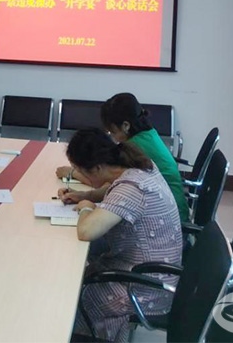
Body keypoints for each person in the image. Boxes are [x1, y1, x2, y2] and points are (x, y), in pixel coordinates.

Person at [62, 129, 182, 342]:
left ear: (97, 168)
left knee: (71, 300)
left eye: (81, 171)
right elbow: (110, 190)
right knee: (77, 275)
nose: (81, 175)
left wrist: (86, 207)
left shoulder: (132, 188)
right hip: (157, 272)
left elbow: (86, 231)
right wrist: (86, 195)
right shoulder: (139, 167)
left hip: (146, 287)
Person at [55, 93, 190, 222]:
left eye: (112, 132)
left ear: (126, 126)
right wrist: (84, 196)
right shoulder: (148, 135)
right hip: (171, 211)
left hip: (172, 218)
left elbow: (103, 179)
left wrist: (73, 173)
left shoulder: (136, 148)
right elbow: (112, 185)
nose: (113, 138)